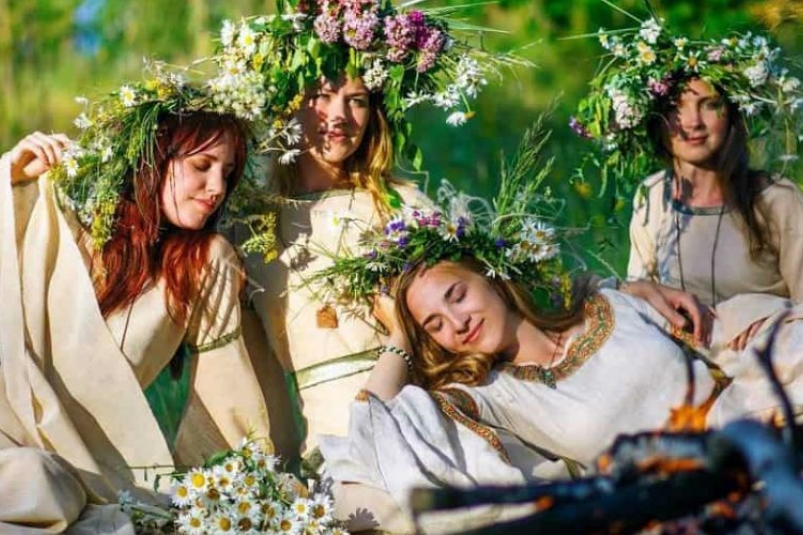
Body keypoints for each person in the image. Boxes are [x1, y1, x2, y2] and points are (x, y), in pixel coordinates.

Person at [311, 179, 751, 530]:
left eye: (457, 295)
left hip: (754, 439)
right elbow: (370, 435)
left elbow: (722, 337)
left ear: (490, 274)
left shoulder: (607, 304)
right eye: (435, 325)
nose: (457, 323)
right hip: (683, 509)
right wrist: (400, 338)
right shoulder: (487, 396)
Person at [207, 2, 514, 470]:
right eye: (322, 95)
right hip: (327, 442)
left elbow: (476, 308)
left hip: (419, 415)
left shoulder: (402, 206)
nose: (339, 116)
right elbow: (248, 364)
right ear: (290, 103)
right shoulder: (249, 222)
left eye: (357, 100)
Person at [0, 69, 271, 533]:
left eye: (227, 174)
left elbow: (225, 387)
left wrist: (244, 493)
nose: (217, 188)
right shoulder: (68, 228)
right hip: (8, 427)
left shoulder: (203, 262)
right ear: (154, 159)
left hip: (77, 471)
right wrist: (11, 176)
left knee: (40, 482)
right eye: (202, 166)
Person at [572, 17, 803, 352]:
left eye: (709, 104)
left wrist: (772, 318)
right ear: (656, 120)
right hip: (683, 360)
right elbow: (643, 300)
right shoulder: (653, 196)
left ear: (732, 113)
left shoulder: (776, 199)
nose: (692, 122)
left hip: (770, 354)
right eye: (675, 108)